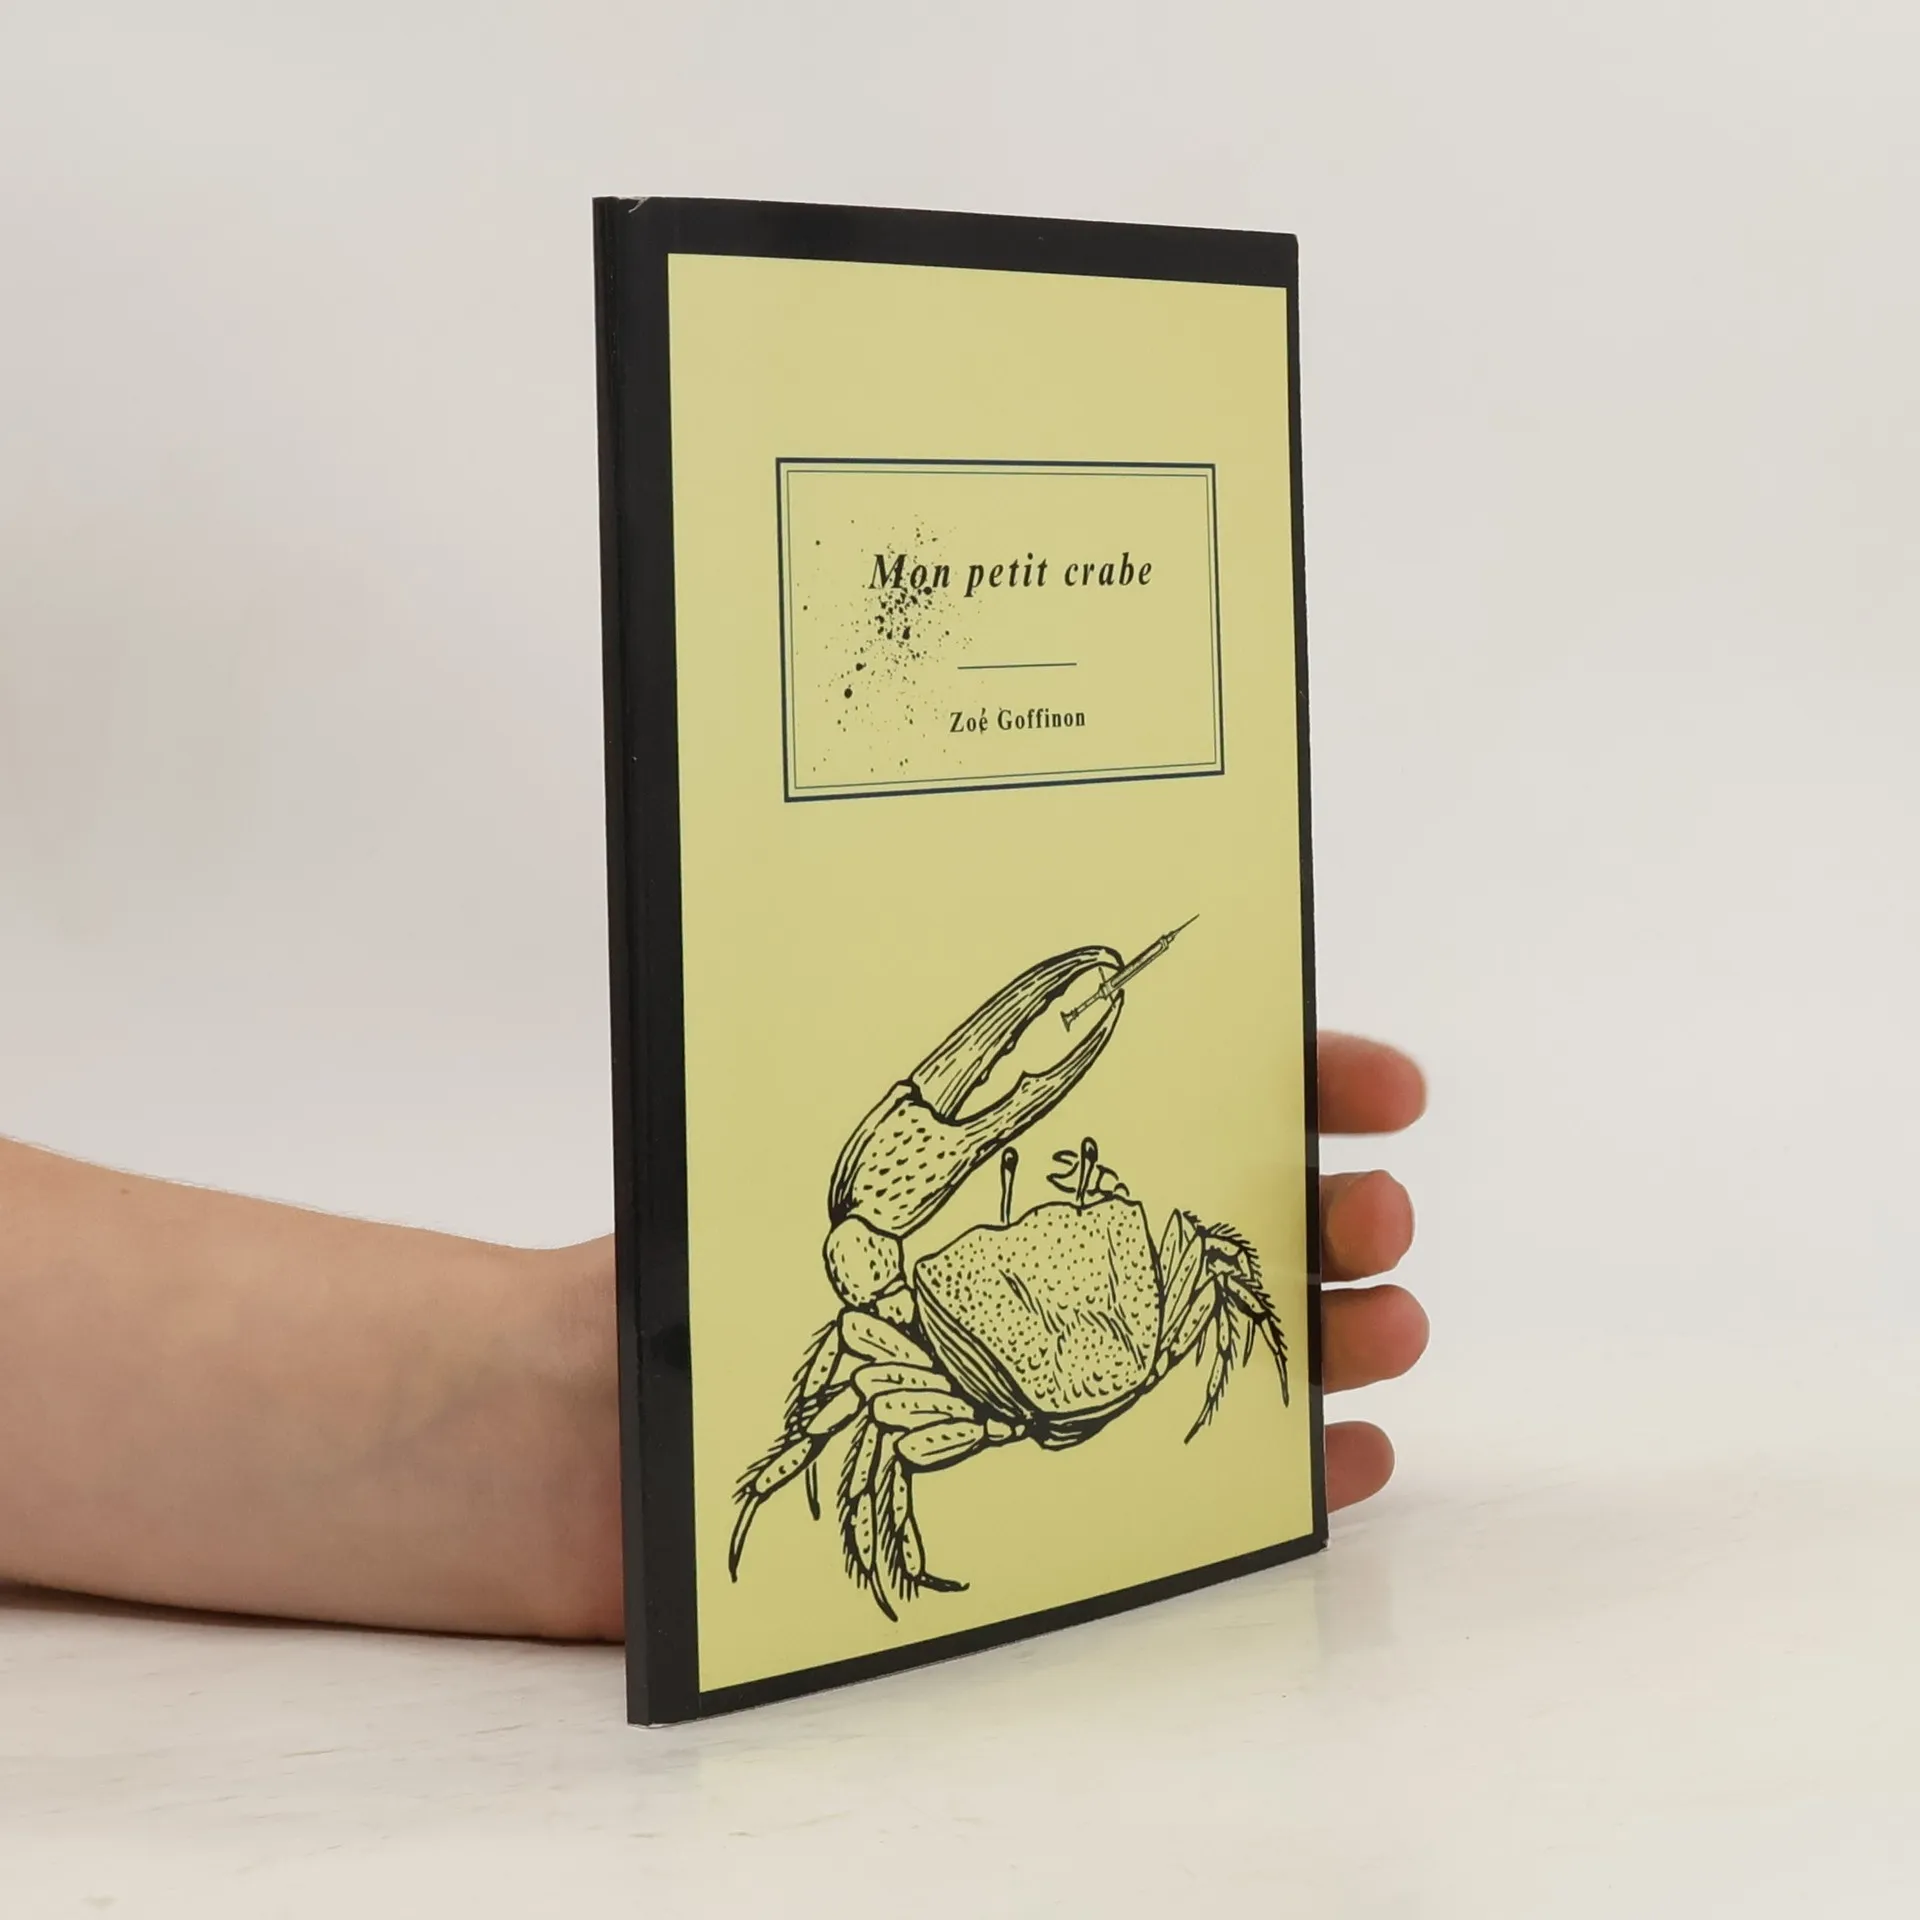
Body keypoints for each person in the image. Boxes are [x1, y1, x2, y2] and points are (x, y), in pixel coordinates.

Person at [0, 1034, 1426, 1641]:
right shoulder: (1145, 1250)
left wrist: (586, 1379)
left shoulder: (936, 1284)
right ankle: (581, 1443)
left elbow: (870, 1340)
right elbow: (1217, 1270)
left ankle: (578, 1431)